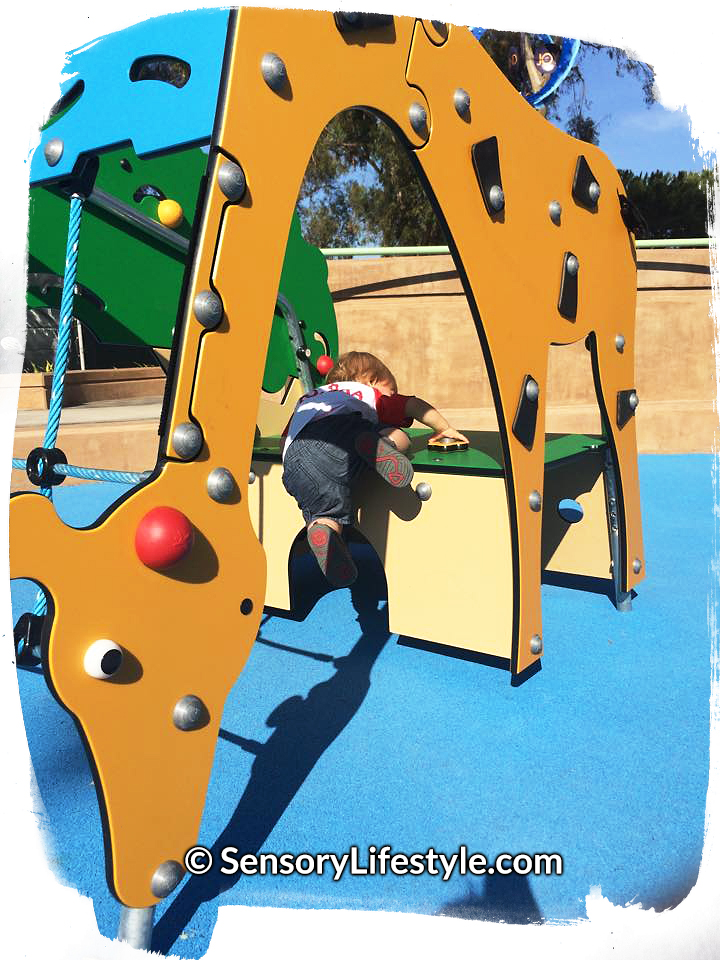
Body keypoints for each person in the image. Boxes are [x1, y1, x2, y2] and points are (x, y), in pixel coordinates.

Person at [281, 351, 469, 587]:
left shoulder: (309, 399)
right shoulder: (366, 394)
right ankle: (381, 447)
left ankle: (323, 531)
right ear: (370, 381)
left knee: (326, 511)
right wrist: (444, 428)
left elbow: (284, 439)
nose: (393, 395)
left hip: (295, 460)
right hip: (345, 434)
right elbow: (413, 405)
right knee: (397, 434)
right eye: (391, 389)